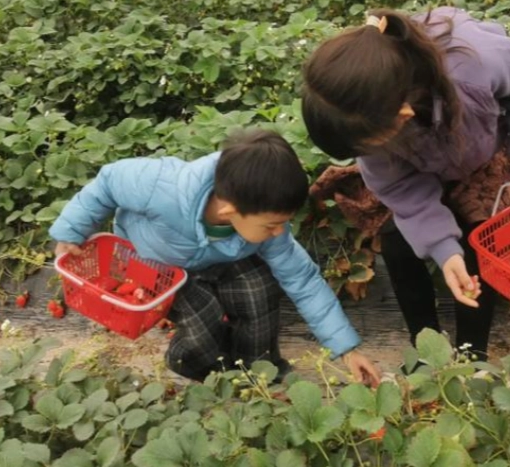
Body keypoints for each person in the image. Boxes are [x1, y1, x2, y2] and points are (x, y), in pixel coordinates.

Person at [301, 7, 510, 360]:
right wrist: (442, 248)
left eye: (369, 146)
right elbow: (400, 189)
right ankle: (426, 345)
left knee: (480, 246)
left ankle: (472, 353)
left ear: (402, 115)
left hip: (478, 151)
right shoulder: (367, 117)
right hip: (420, 164)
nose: (368, 155)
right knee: (396, 244)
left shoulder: (477, 68)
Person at [49, 128, 380, 385]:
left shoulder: (262, 223)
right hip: (159, 264)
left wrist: (347, 349)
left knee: (259, 292)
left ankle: (261, 368)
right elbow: (107, 182)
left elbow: (302, 279)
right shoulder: (161, 186)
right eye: (273, 224)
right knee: (203, 321)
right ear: (230, 210)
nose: (281, 231)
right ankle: (204, 372)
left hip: (218, 259)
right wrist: (69, 232)